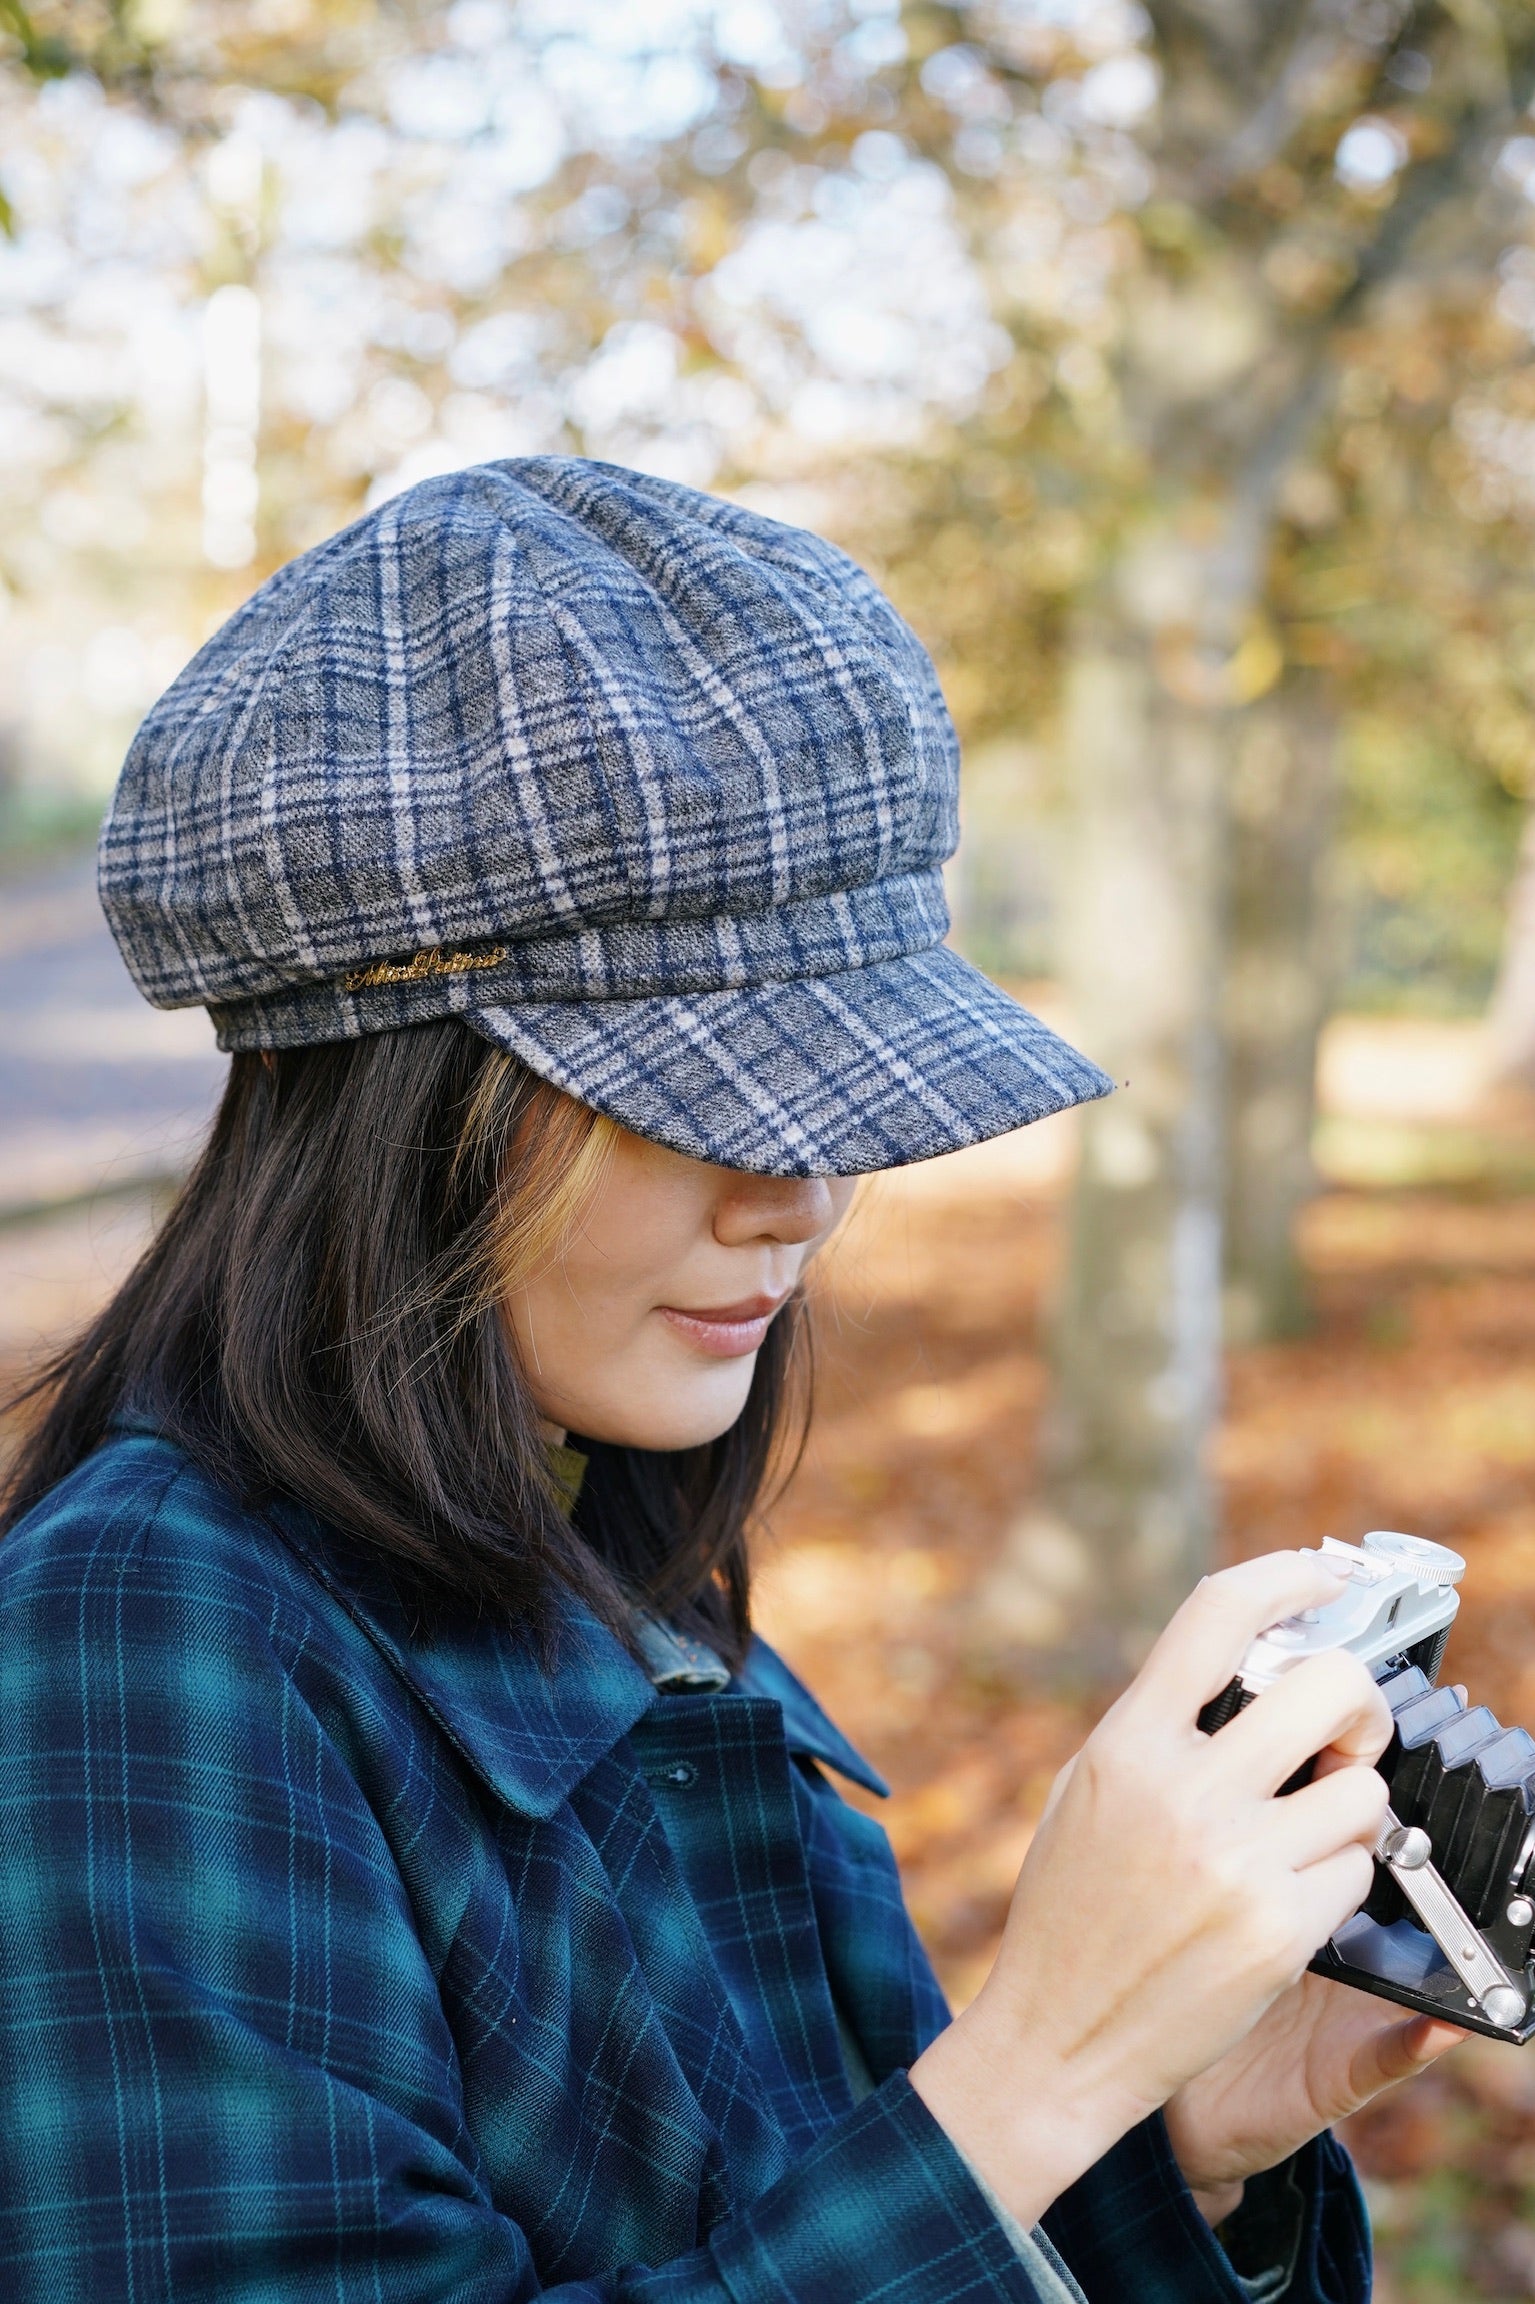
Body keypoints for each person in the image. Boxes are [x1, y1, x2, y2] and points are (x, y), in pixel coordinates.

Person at [0, 459, 1459, 2303]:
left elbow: (801, 2221)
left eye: (828, 1093)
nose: (806, 1193)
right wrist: (1036, 2074)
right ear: (388, 1093)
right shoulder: (146, 1635)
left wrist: (1161, 2155)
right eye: (696, 1094)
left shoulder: (603, 1544)